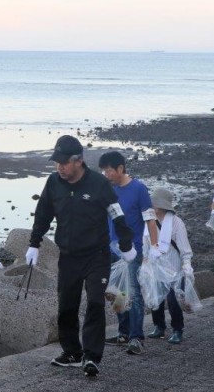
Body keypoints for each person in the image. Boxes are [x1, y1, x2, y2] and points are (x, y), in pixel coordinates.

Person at [28, 135, 136, 377]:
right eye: (56, 163)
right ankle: (72, 352)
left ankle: (91, 356)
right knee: (67, 305)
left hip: (97, 254)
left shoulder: (98, 183)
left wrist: (127, 244)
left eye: (64, 163)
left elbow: (117, 215)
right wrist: (34, 243)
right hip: (68, 255)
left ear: (78, 161)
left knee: (96, 302)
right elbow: (43, 213)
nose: (59, 167)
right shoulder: (54, 182)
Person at [98, 151, 158, 356]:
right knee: (115, 292)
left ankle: (136, 338)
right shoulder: (108, 189)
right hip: (110, 249)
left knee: (133, 292)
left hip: (132, 250)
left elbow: (150, 219)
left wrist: (155, 247)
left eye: (108, 170)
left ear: (121, 169)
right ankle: (123, 332)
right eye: (103, 171)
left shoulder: (139, 188)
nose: (106, 174)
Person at [145, 188, 193, 344]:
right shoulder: (148, 221)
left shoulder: (176, 222)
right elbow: (145, 241)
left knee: (173, 300)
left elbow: (184, 246)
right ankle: (159, 327)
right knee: (156, 298)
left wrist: (186, 264)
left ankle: (178, 329)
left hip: (174, 266)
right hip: (156, 265)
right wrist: (144, 258)